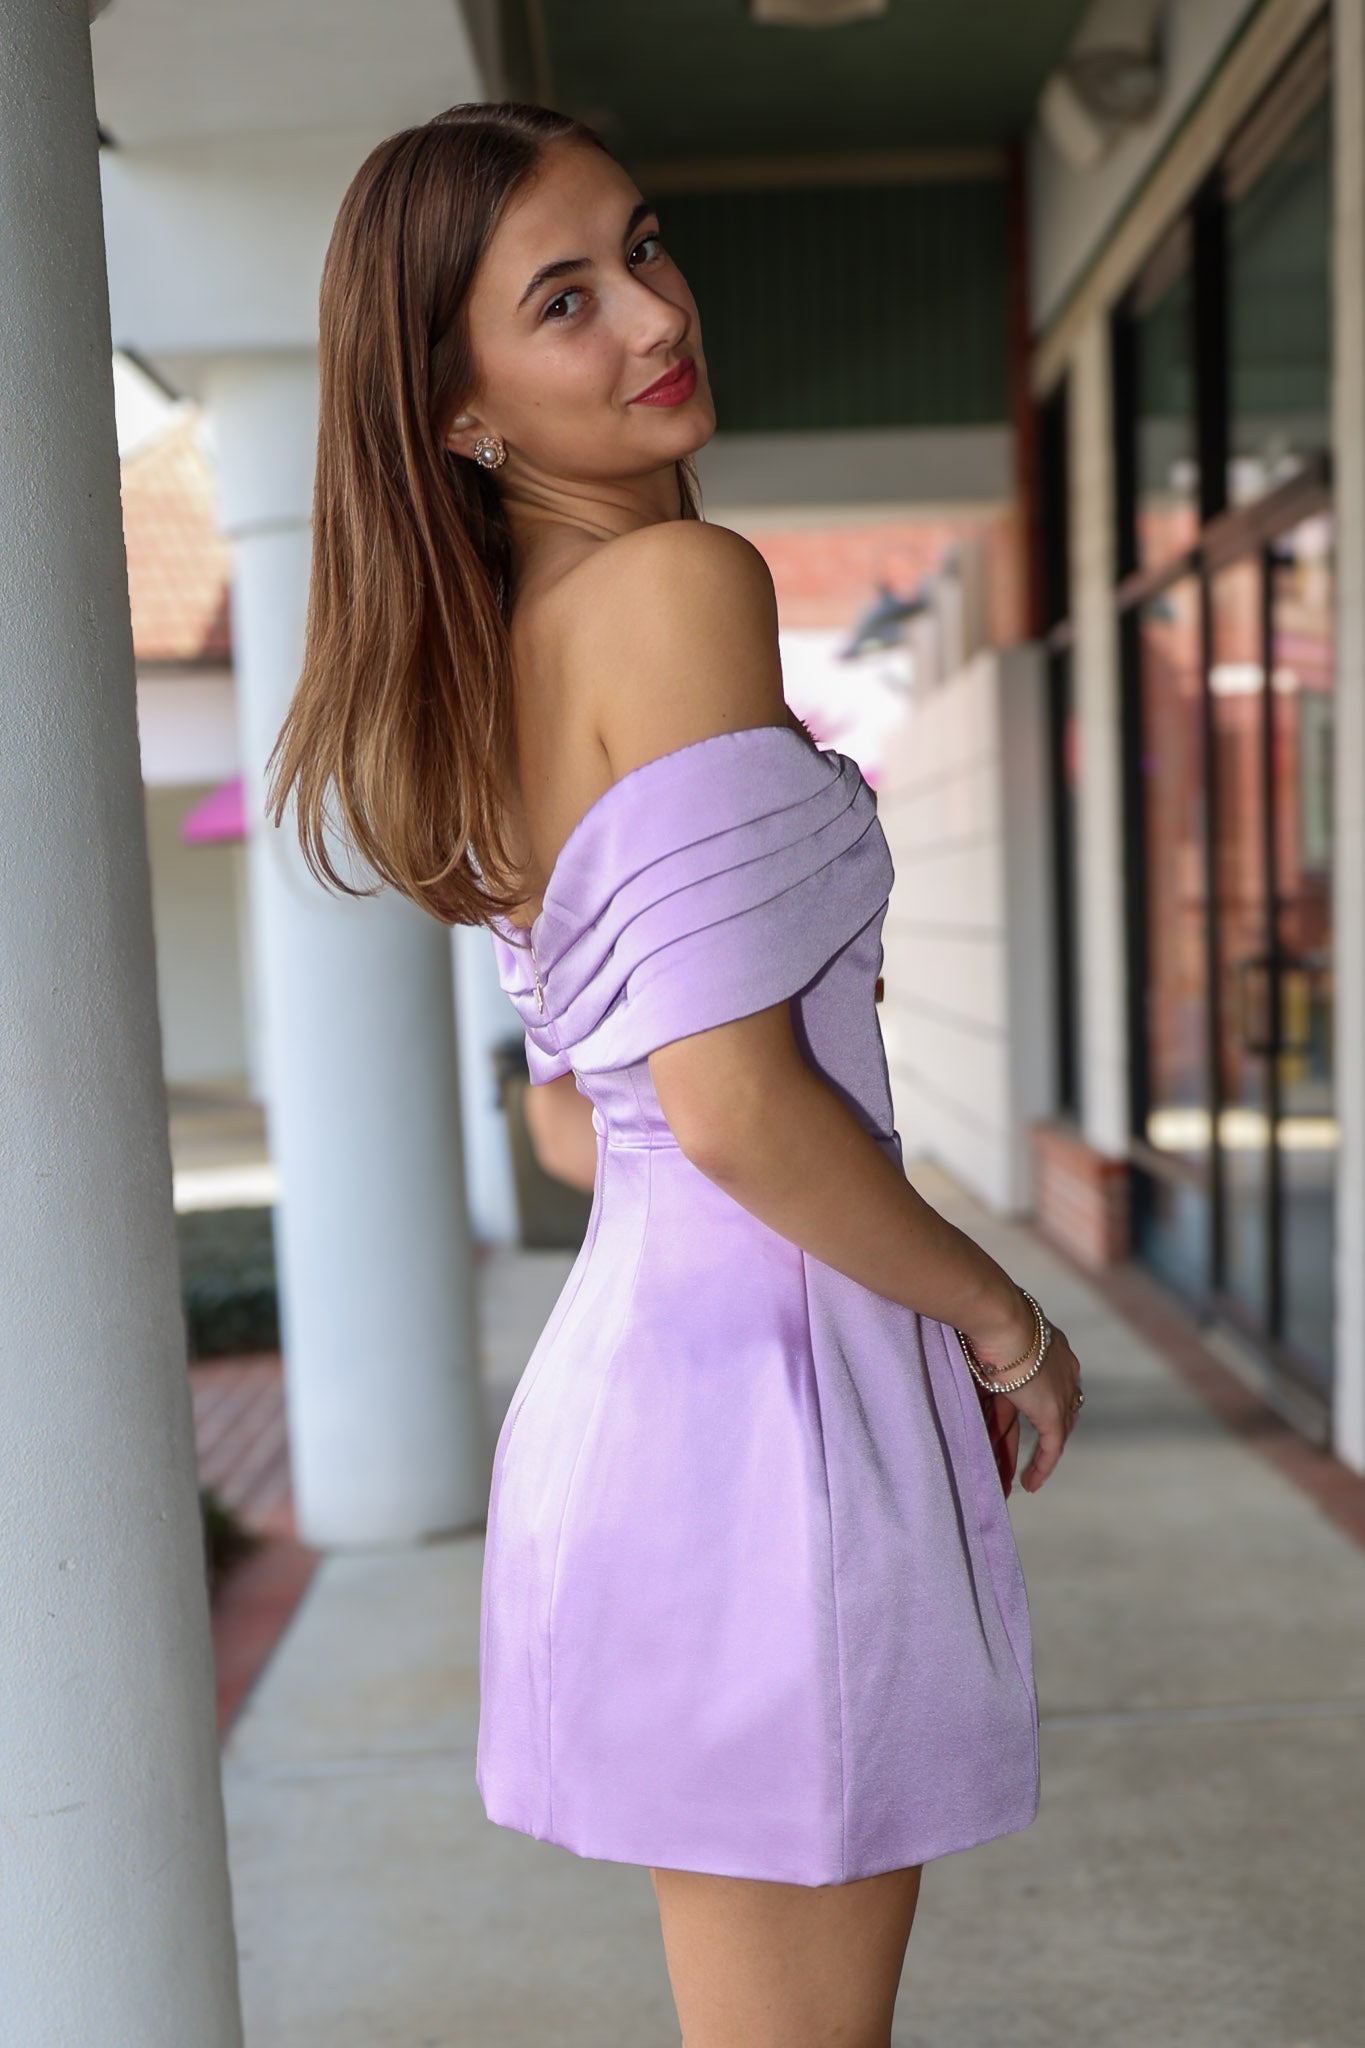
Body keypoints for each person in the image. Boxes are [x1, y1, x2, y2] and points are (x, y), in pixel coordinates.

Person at [267, 99, 1085, 2048]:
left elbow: (582, 1114)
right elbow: (723, 1104)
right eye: (562, 301)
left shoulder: (496, 658)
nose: (649, 316)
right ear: (456, 413)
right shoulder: (675, 587)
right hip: (772, 1416)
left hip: (662, 1389)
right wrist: (995, 1316)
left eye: (642, 247)